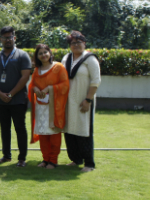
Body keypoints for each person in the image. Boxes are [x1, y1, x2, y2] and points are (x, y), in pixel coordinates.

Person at [0, 26, 32, 167]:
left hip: (18, 100)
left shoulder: (22, 55)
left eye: (10, 37)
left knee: (20, 128)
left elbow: (25, 77)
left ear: (14, 38)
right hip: (0, 101)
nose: (7, 40)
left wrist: (11, 93)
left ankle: (22, 158)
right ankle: (6, 156)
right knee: (4, 128)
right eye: (4, 38)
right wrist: (0, 94)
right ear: (1, 39)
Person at [61, 31, 101, 172]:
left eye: (79, 42)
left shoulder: (90, 59)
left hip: (83, 101)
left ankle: (89, 163)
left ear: (84, 43)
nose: (76, 45)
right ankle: (75, 159)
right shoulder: (66, 58)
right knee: (69, 130)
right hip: (68, 101)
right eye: (73, 43)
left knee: (84, 131)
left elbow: (96, 81)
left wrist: (88, 100)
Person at [27, 44, 69, 169]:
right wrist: (34, 88)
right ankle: (45, 159)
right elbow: (32, 85)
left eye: (46, 52)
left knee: (53, 132)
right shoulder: (37, 70)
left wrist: (49, 89)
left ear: (50, 53)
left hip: (54, 107)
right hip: (40, 107)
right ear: (37, 56)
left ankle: (53, 160)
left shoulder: (58, 67)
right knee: (43, 133)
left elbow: (65, 85)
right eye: (40, 53)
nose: (43, 55)